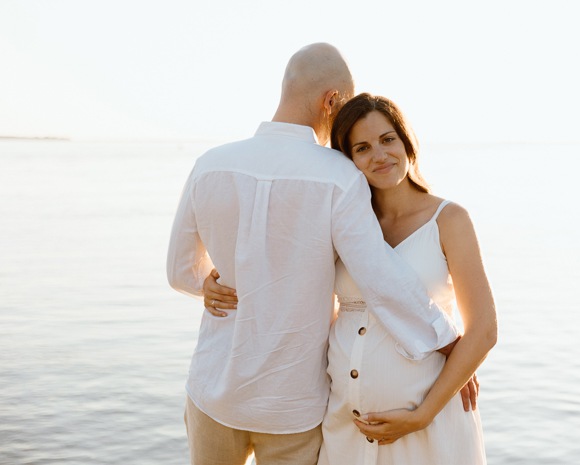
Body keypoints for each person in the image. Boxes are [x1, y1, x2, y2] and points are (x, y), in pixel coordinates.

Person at [166, 44, 461, 465]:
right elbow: (379, 277)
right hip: (291, 405)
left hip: (213, 390)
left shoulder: (210, 164)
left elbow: (179, 271)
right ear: (331, 101)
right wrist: (446, 340)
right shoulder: (338, 176)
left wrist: (204, 283)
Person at [205, 93, 498, 464]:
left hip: (430, 422)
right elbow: (279, 271)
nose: (379, 155)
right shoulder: (341, 220)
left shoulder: (449, 219)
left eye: (388, 139)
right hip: (345, 422)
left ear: (407, 143)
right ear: (348, 161)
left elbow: (484, 330)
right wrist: (209, 280)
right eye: (362, 148)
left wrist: (422, 415)